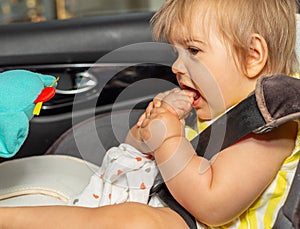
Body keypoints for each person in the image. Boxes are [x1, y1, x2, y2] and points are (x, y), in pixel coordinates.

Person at [0, 0, 299, 228]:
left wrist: (168, 139)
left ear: (252, 56)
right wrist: (145, 136)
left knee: (136, 221)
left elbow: (212, 204)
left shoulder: (270, 121)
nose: (177, 67)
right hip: (172, 204)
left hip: (200, 221)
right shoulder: (221, 105)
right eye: (176, 53)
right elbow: (173, 159)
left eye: (193, 51)